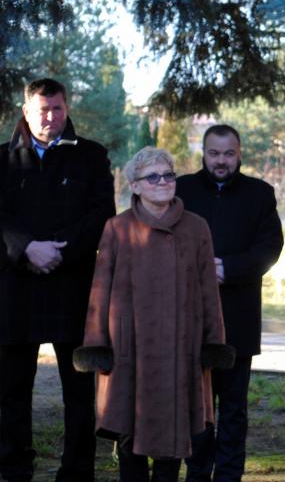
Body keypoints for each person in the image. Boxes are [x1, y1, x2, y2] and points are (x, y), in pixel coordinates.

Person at [73, 146, 234, 482]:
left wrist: (213, 343)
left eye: (169, 175)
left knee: (175, 433)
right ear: (135, 185)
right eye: (153, 177)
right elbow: (100, 290)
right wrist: (97, 344)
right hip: (129, 347)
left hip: (182, 348)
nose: (163, 182)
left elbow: (209, 292)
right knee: (129, 432)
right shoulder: (117, 228)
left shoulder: (196, 228)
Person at [0, 78, 115, 482]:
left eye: (58, 109)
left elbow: (102, 215)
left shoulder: (92, 156)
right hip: (15, 289)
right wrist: (26, 248)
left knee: (79, 392)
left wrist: (59, 252)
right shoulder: (1, 159)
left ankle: (77, 471)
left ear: (67, 109)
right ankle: (14, 468)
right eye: (43, 110)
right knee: (11, 391)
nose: (51, 117)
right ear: (26, 111)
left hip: (73, 288)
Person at [175, 124, 284, 482]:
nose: (221, 161)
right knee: (196, 407)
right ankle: (196, 473)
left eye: (228, 153)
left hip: (239, 317)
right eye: (214, 153)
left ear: (239, 154)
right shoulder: (182, 190)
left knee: (234, 409)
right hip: (191, 319)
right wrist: (201, 270)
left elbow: (270, 247)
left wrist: (229, 269)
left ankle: (229, 475)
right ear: (203, 153)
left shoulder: (260, 193)